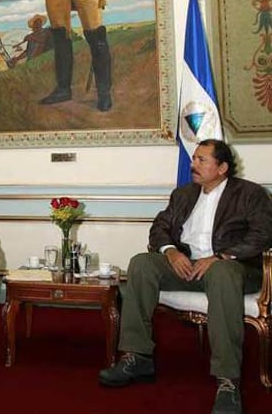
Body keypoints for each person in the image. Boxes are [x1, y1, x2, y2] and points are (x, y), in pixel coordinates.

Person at [99, 139, 272, 414]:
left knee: (222, 274)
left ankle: (228, 380)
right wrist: (170, 252)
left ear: (222, 167)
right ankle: (138, 356)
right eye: (194, 158)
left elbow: (263, 234)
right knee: (142, 264)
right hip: (187, 266)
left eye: (202, 160)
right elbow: (160, 228)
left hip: (232, 268)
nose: (193, 165)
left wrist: (221, 257)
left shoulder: (250, 194)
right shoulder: (183, 194)